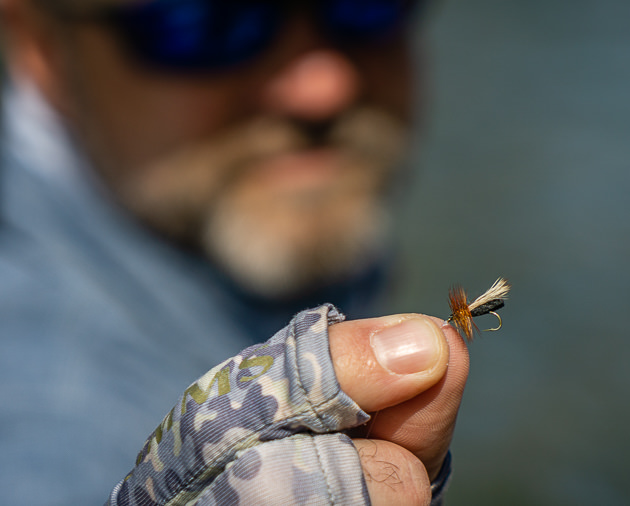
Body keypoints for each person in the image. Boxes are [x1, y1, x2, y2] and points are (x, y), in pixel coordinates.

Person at [0, 0, 469, 504]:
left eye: (366, 8)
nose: (322, 89)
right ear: (38, 45)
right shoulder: (42, 427)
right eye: (206, 25)